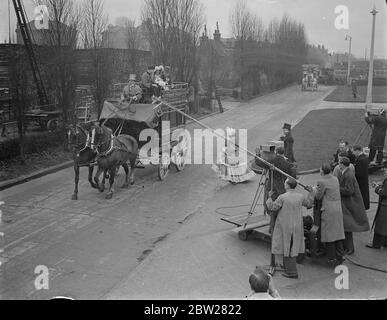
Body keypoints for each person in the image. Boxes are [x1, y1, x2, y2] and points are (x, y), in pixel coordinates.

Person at [266, 178, 314, 279]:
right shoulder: (300, 196)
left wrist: (269, 198)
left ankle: (292, 272)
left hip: (285, 226)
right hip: (297, 225)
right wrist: (311, 193)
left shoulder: (282, 197)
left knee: (287, 248)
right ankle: (288, 267)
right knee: (292, 246)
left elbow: (272, 207)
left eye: (285, 183)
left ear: (287, 185)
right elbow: (309, 204)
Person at [314, 164, 346, 266]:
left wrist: (313, 190)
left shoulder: (321, 181)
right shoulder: (335, 178)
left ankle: (331, 258)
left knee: (330, 235)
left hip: (328, 210)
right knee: (337, 233)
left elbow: (318, 197)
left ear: (322, 171)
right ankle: (340, 255)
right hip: (337, 208)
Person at [338, 157, 370, 255]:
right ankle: (346, 247)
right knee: (346, 227)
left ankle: (349, 248)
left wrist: (337, 189)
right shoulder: (347, 173)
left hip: (349, 204)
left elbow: (349, 190)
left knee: (347, 227)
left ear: (342, 164)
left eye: (339, 163)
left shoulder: (348, 175)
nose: (338, 165)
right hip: (348, 203)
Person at [367, 179, 387, 249]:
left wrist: (376, 187)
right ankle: (385, 243)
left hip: (385, 206)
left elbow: (383, 193)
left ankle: (376, 244)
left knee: (380, 225)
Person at [353, 145, 370, 210]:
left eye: (354, 151)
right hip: (364, 180)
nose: (353, 153)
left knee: (361, 195)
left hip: (360, 182)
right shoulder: (364, 157)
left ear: (357, 150)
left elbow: (359, 173)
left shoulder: (360, 160)